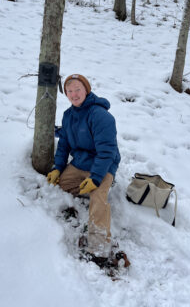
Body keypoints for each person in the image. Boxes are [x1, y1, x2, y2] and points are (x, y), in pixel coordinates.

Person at [47, 74, 121, 264]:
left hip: (104, 164)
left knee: (98, 198)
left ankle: (99, 249)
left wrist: (96, 178)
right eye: (69, 91)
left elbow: (107, 150)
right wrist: (57, 167)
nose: (74, 94)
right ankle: (92, 186)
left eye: (77, 89)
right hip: (81, 162)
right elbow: (63, 145)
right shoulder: (68, 116)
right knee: (63, 184)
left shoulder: (101, 115)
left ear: (86, 90)